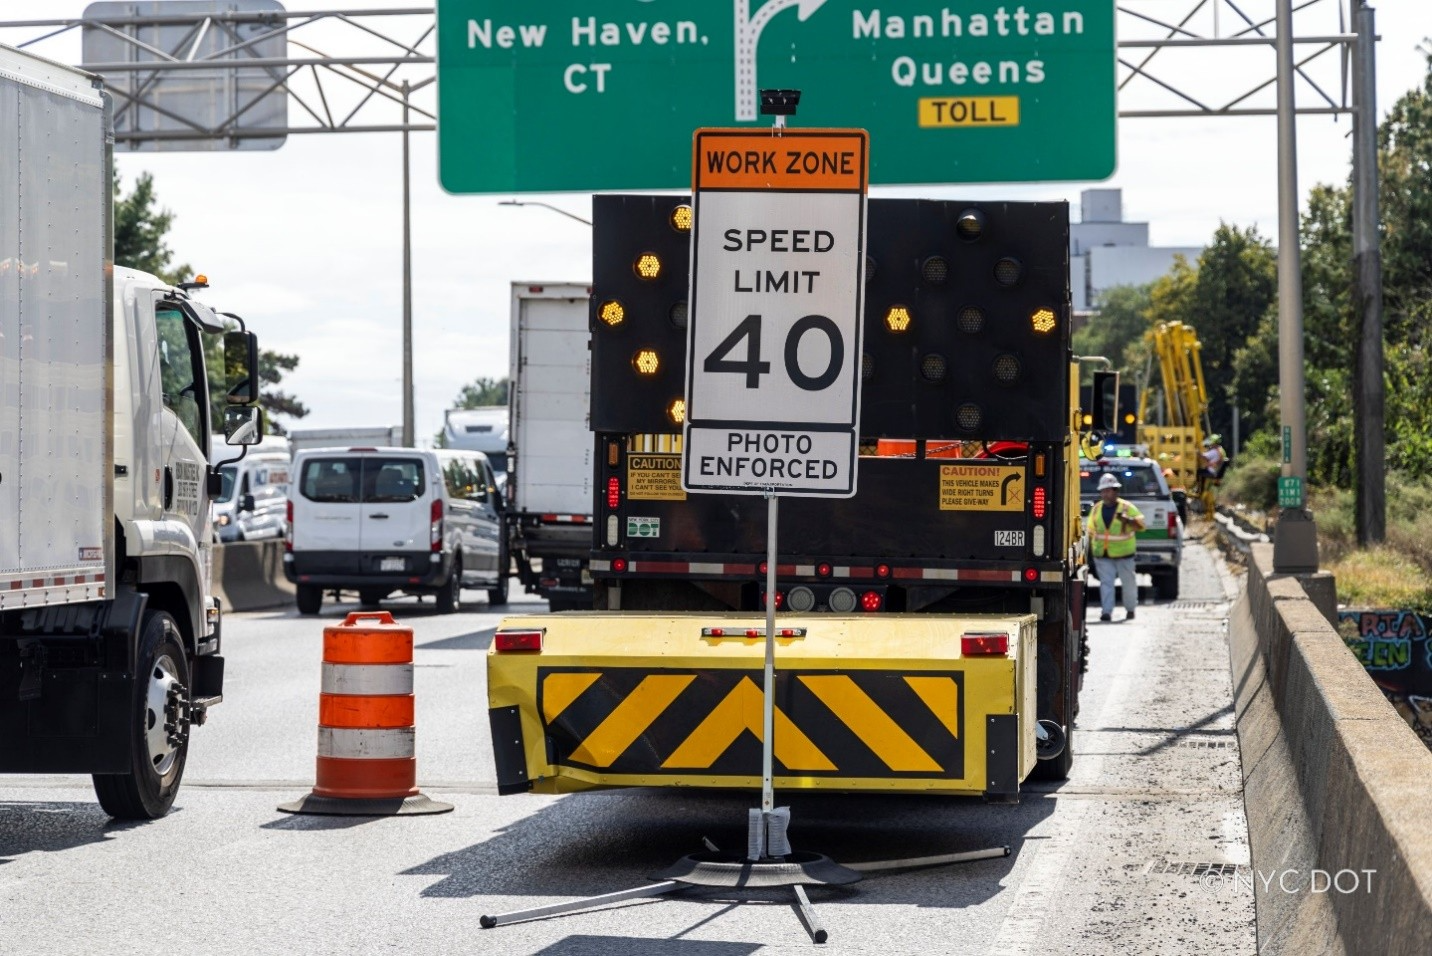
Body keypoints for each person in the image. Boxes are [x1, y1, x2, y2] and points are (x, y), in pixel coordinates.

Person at [1087, 472, 1145, 622]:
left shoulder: (1127, 508)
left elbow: (1141, 526)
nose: (1106, 494)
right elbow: (1091, 530)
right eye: (1103, 491)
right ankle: (1106, 612)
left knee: (1128, 584)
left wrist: (1128, 520)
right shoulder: (1096, 509)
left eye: (1109, 490)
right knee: (1106, 584)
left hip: (1124, 554)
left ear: (1115, 491)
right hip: (1103, 555)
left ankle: (1130, 609)